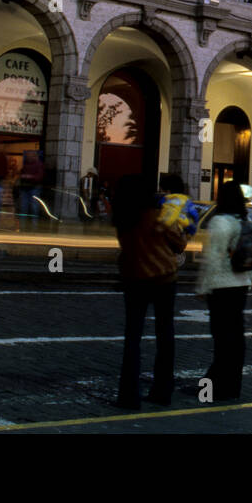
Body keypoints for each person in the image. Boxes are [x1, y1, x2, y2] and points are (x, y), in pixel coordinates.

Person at [113, 173, 182, 409]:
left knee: (132, 337)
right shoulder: (159, 215)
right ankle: (163, 390)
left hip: (134, 278)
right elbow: (179, 243)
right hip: (164, 278)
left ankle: (128, 395)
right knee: (165, 335)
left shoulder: (123, 217)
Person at [195, 181, 252, 401]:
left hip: (221, 287)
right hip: (241, 287)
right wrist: (247, 281)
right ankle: (232, 388)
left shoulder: (219, 222)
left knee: (221, 340)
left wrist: (202, 286)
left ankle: (211, 389)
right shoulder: (244, 220)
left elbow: (212, 258)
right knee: (236, 339)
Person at [18, 149, 44, 220]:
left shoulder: (39, 165)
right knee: (24, 206)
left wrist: (29, 177)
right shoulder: (26, 164)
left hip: (34, 187)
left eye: (29, 156)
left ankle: (33, 222)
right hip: (26, 187)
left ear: (34, 156)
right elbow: (21, 173)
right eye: (27, 156)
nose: (28, 157)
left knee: (34, 206)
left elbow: (39, 177)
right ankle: (24, 222)